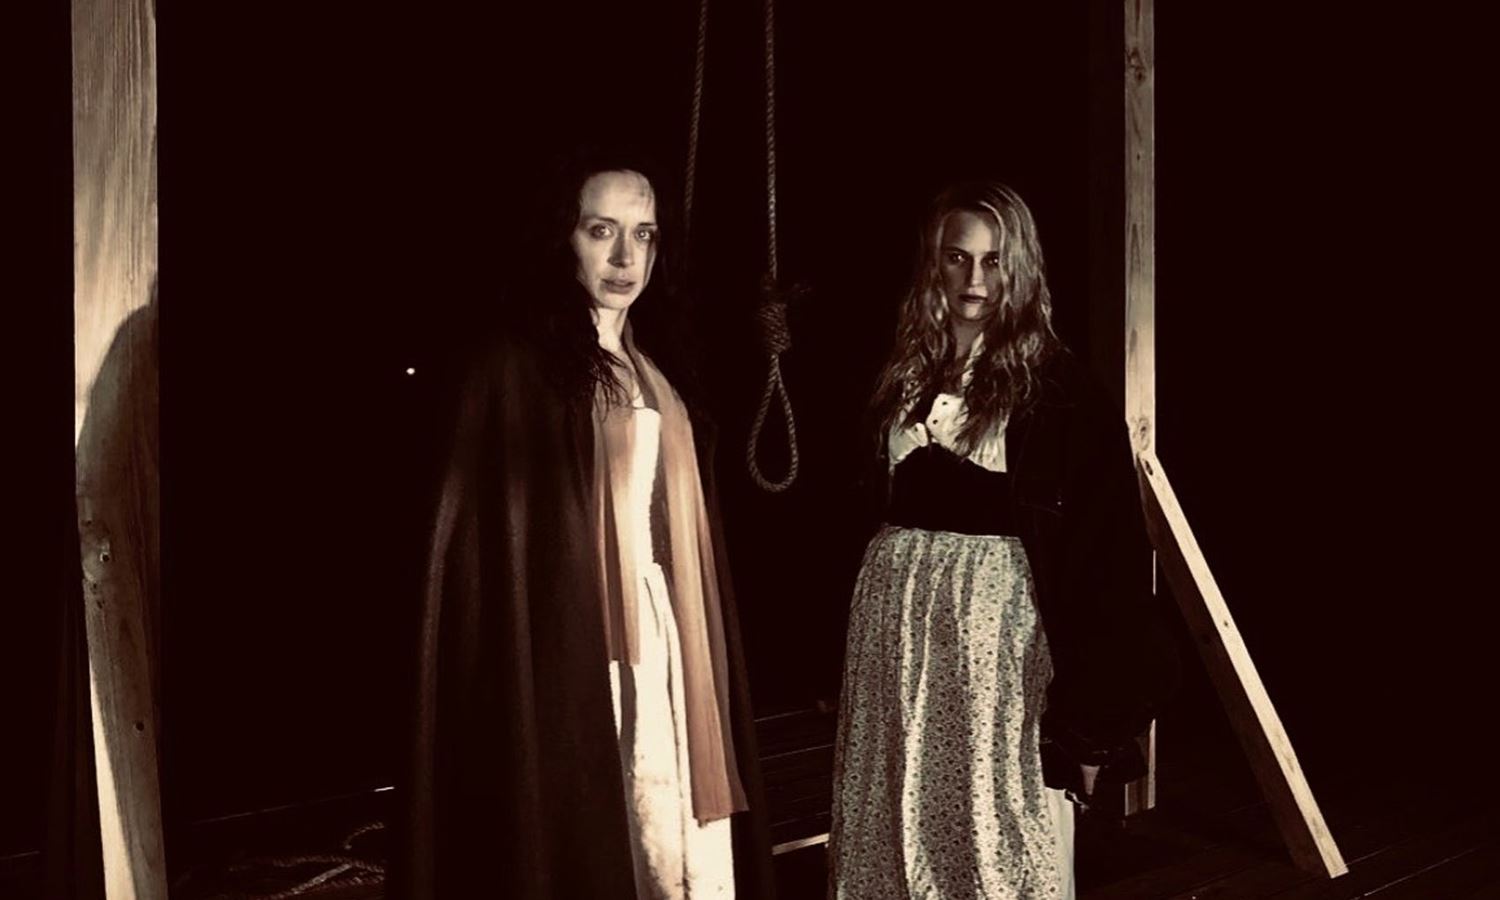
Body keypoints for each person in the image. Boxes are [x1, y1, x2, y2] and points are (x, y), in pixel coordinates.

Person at [397, 151, 774, 899]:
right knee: (586, 822)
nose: (626, 257)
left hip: (662, 633)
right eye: (602, 231)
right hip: (565, 636)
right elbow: (489, 544)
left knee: (663, 823)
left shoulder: (657, 369)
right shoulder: (515, 369)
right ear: (562, 237)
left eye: (644, 234)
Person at [828, 182, 1178, 899]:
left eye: (994, 261)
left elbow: (1107, 560)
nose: (975, 279)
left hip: (996, 646)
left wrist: (1091, 724)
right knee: (895, 809)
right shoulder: (899, 373)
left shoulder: (1059, 390)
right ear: (934, 262)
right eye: (958, 257)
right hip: (894, 636)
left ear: (1022, 269)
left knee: (998, 823)